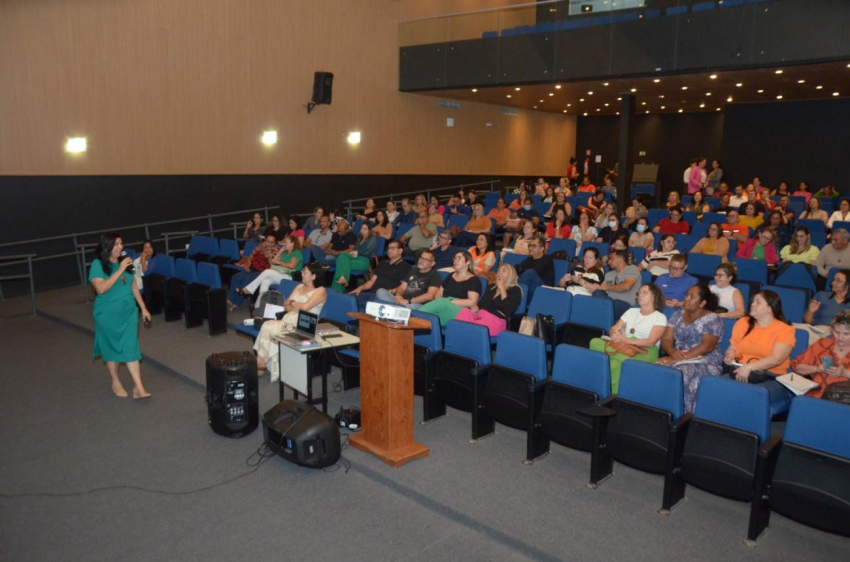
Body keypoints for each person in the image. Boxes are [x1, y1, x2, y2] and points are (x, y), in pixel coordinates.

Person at [88, 233, 152, 399]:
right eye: (116, 244)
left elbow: (133, 286)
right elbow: (101, 288)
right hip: (107, 315)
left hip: (129, 312)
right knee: (111, 348)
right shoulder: (98, 264)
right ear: (107, 246)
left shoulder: (126, 261)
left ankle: (139, 387)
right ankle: (115, 380)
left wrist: (143, 308)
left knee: (131, 346)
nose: (120, 247)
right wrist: (121, 269)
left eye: (121, 244)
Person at [724, 290, 796, 416]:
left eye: (758, 302)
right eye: (752, 301)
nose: (752, 304)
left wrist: (750, 367)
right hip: (741, 370)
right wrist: (730, 354)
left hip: (772, 377)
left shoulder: (785, 330)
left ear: (770, 308)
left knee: (748, 396)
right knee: (713, 387)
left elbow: (776, 359)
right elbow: (733, 345)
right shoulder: (743, 322)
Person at [254, 263, 327, 381]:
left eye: (305, 272)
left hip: (304, 325)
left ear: (314, 276)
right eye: (302, 271)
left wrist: (293, 303)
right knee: (267, 325)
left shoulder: (320, 290)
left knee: (270, 327)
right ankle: (261, 361)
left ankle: (261, 363)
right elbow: (285, 305)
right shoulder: (299, 286)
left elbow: (305, 307)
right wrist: (295, 306)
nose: (302, 274)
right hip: (288, 320)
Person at [656, 284, 724, 413]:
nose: (687, 299)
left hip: (705, 361)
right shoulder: (677, 315)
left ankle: (683, 415)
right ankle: (661, 410)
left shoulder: (713, 319)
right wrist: (671, 351)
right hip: (677, 356)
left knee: (683, 372)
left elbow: (706, 347)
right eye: (687, 295)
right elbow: (666, 339)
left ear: (702, 302)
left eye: (692, 297)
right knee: (657, 366)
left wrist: (676, 359)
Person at [590, 284, 668, 393]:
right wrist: (615, 335)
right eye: (639, 293)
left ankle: (605, 391)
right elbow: (614, 329)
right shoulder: (631, 311)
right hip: (622, 346)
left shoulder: (659, 317)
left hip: (644, 351)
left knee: (615, 362)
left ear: (654, 296)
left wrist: (627, 340)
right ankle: (613, 396)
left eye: (644, 293)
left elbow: (651, 342)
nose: (640, 295)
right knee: (594, 342)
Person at [790, 309, 850, 399]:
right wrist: (816, 368)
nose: (840, 337)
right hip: (816, 395)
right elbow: (797, 367)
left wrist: (845, 373)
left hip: (844, 400)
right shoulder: (822, 344)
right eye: (837, 332)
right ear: (832, 330)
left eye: (846, 334)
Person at [455, 264, 523, 337]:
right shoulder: (491, 287)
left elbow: (508, 311)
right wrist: (475, 307)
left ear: (511, 274)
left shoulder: (516, 290)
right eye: (499, 270)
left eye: (504, 271)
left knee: (473, 327)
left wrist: (502, 289)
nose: (500, 272)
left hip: (496, 321)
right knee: (464, 312)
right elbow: (481, 304)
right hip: (481, 316)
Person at [418, 251, 481, 327]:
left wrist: (449, 301)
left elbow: (472, 302)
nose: (455, 261)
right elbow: (439, 293)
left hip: (459, 311)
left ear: (467, 262)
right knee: (426, 320)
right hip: (443, 309)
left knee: (441, 302)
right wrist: (442, 302)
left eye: (459, 258)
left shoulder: (473, 280)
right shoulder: (451, 275)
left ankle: (415, 315)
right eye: (454, 258)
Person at [237, 235, 303, 302]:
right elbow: (274, 261)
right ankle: (260, 306)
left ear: (293, 244)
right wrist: (281, 250)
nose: (284, 243)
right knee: (265, 282)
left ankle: (248, 289)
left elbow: (291, 265)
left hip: (290, 276)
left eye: (286, 242)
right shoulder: (285, 253)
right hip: (280, 275)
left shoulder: (297, 253)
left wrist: (280, 263)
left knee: (267, 271)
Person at [349, 239, 411, 310]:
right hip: (371, 295)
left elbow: (403, 287)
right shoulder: (383, 263)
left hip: (383, 298)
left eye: (393, 248)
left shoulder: (405, 266)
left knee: (356, 305)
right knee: (349, 299)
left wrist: (390, 291)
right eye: (388, 248)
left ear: (400, 251)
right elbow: (371, 282)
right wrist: (360, 288)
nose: (389, 250)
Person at [228, 232, 279, 310]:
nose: (269, 244)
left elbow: (272, 264)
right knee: (235, 277)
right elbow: (250, 257)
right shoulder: (259, 247)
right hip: (252, 269)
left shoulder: (276, 250)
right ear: (265, 240)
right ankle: (230, 299)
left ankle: (236, 303)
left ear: (275, 243)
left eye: (271, 242)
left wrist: (265, 252)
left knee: (246, 280)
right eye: (268, 241)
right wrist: (247, 266)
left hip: (262, 273)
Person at [376, 249, 441, 309]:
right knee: (380, 291)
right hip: (402, 300)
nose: (421, 261)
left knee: (411, 306)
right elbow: (402, 287)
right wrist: (398, 295)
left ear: (432, 263)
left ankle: (394, 307)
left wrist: (408, 301)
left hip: (416, 303)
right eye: (421, 258)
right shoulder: (413, 271)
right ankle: (397, 307)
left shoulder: (435, 275)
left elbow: (429, 296)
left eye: (426, 259)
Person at [586, 249, 641, 317]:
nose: (609, 262)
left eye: (611, 259)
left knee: (614, 304)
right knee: (597, 293)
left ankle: (599, 313)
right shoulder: (608, 274)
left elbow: (627, 286)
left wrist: (608, 286)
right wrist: (599, 288)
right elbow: (605, 291)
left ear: (619, 259)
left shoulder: (632, 268)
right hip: (609, 302)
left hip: (625, 305)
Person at [332, 223, 377, 293]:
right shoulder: (359, 239)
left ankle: (336, 291)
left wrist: (355, 253)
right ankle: (343, 278)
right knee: (342, 256)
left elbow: (367, 253)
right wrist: (352, 253)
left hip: (365, 261)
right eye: (361, 228)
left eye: (365, 229)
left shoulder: (372, 239)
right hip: (356, 258)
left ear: (369, 230)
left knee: (341, 263)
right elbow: (355, 250)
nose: (362, 231)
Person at [802, 269, 850, 335]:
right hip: (817, 332)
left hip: (841, 335)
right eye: (834, 280)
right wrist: (811, 311)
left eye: (838, 281)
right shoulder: (821, 295)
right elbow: (806, 322)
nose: (833, 283)